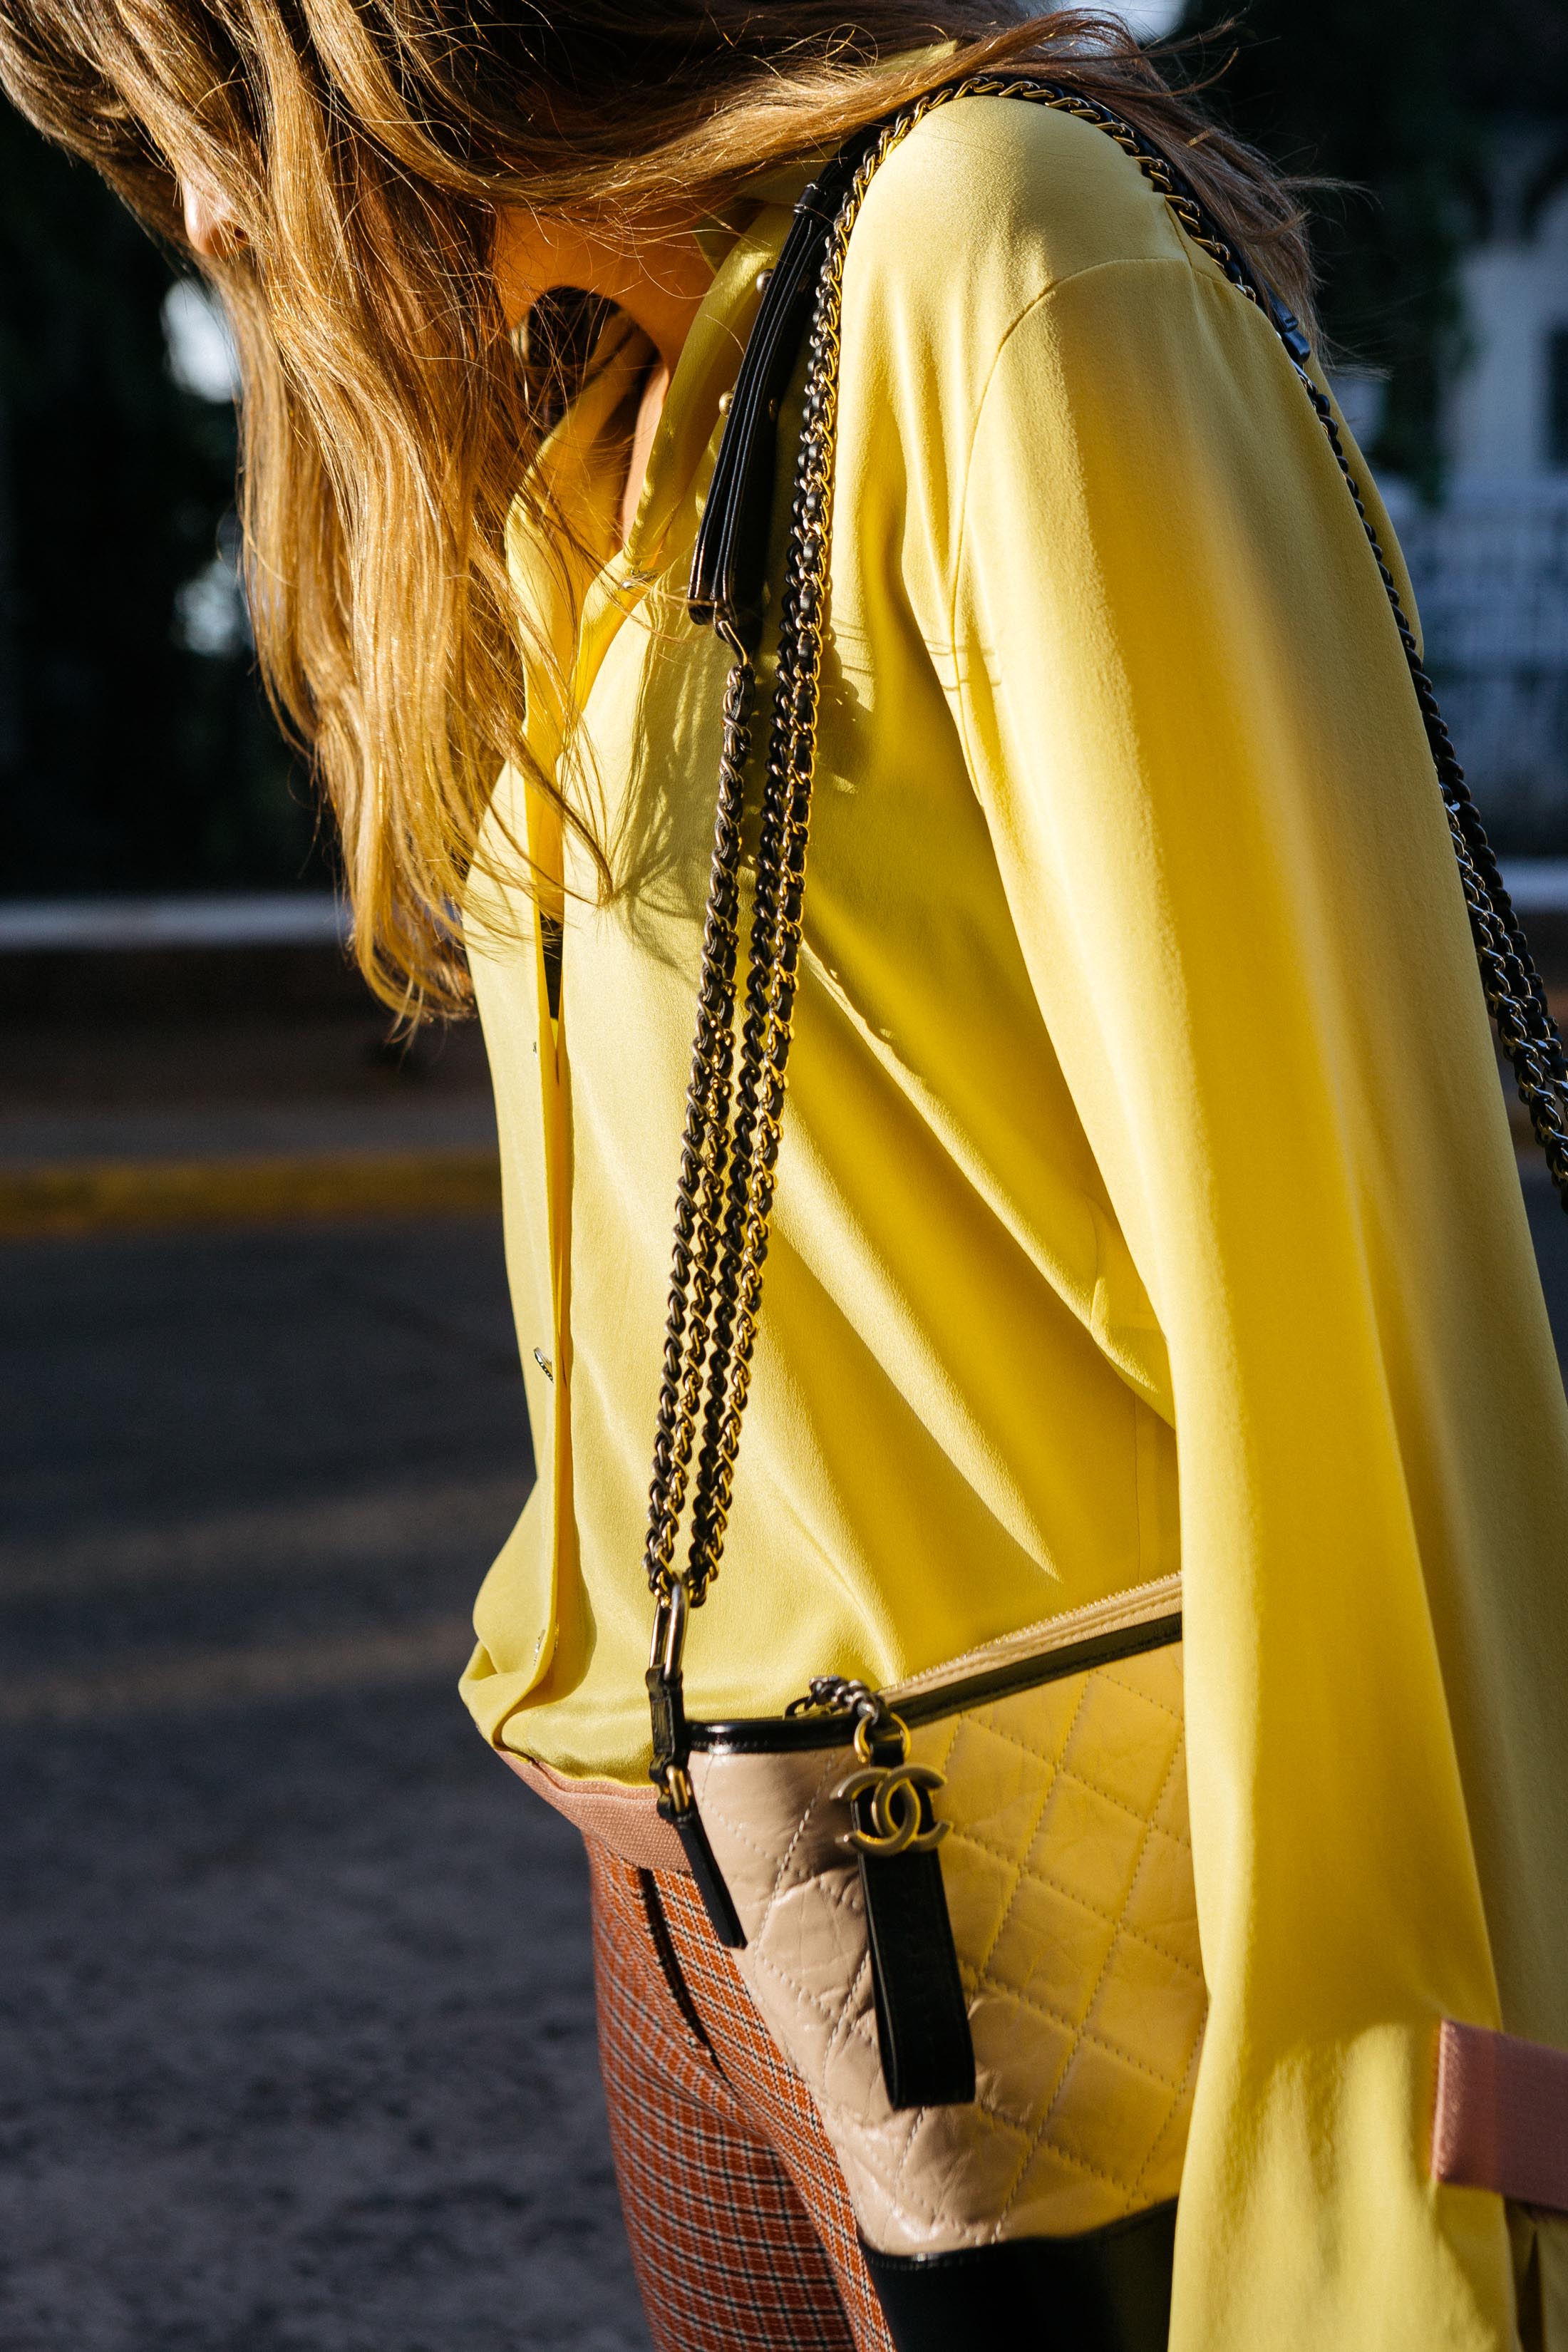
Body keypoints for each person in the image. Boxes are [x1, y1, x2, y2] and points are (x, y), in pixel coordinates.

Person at [4, 4, 1564, 2346]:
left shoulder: (993, 259)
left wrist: (1387, 2174)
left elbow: (1344, 1322)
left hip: (1059, 1946)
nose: (206, 216)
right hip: (696, 1899)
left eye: (205, 121)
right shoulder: (594, 413)